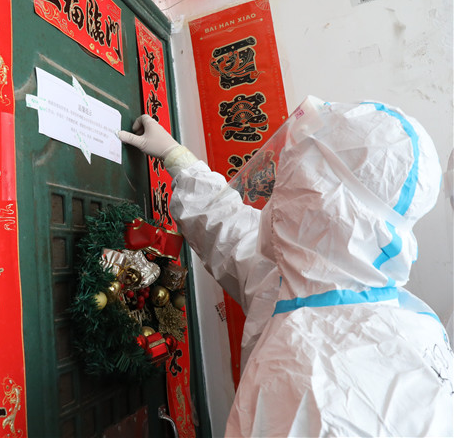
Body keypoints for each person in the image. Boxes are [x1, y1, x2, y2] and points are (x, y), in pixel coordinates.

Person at [119, 96, 453, 437]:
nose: (284, 177)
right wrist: (177, 157)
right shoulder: (322, 282)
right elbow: (237, 238)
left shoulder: (312, 376)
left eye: (300, 167)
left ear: (323, 197)